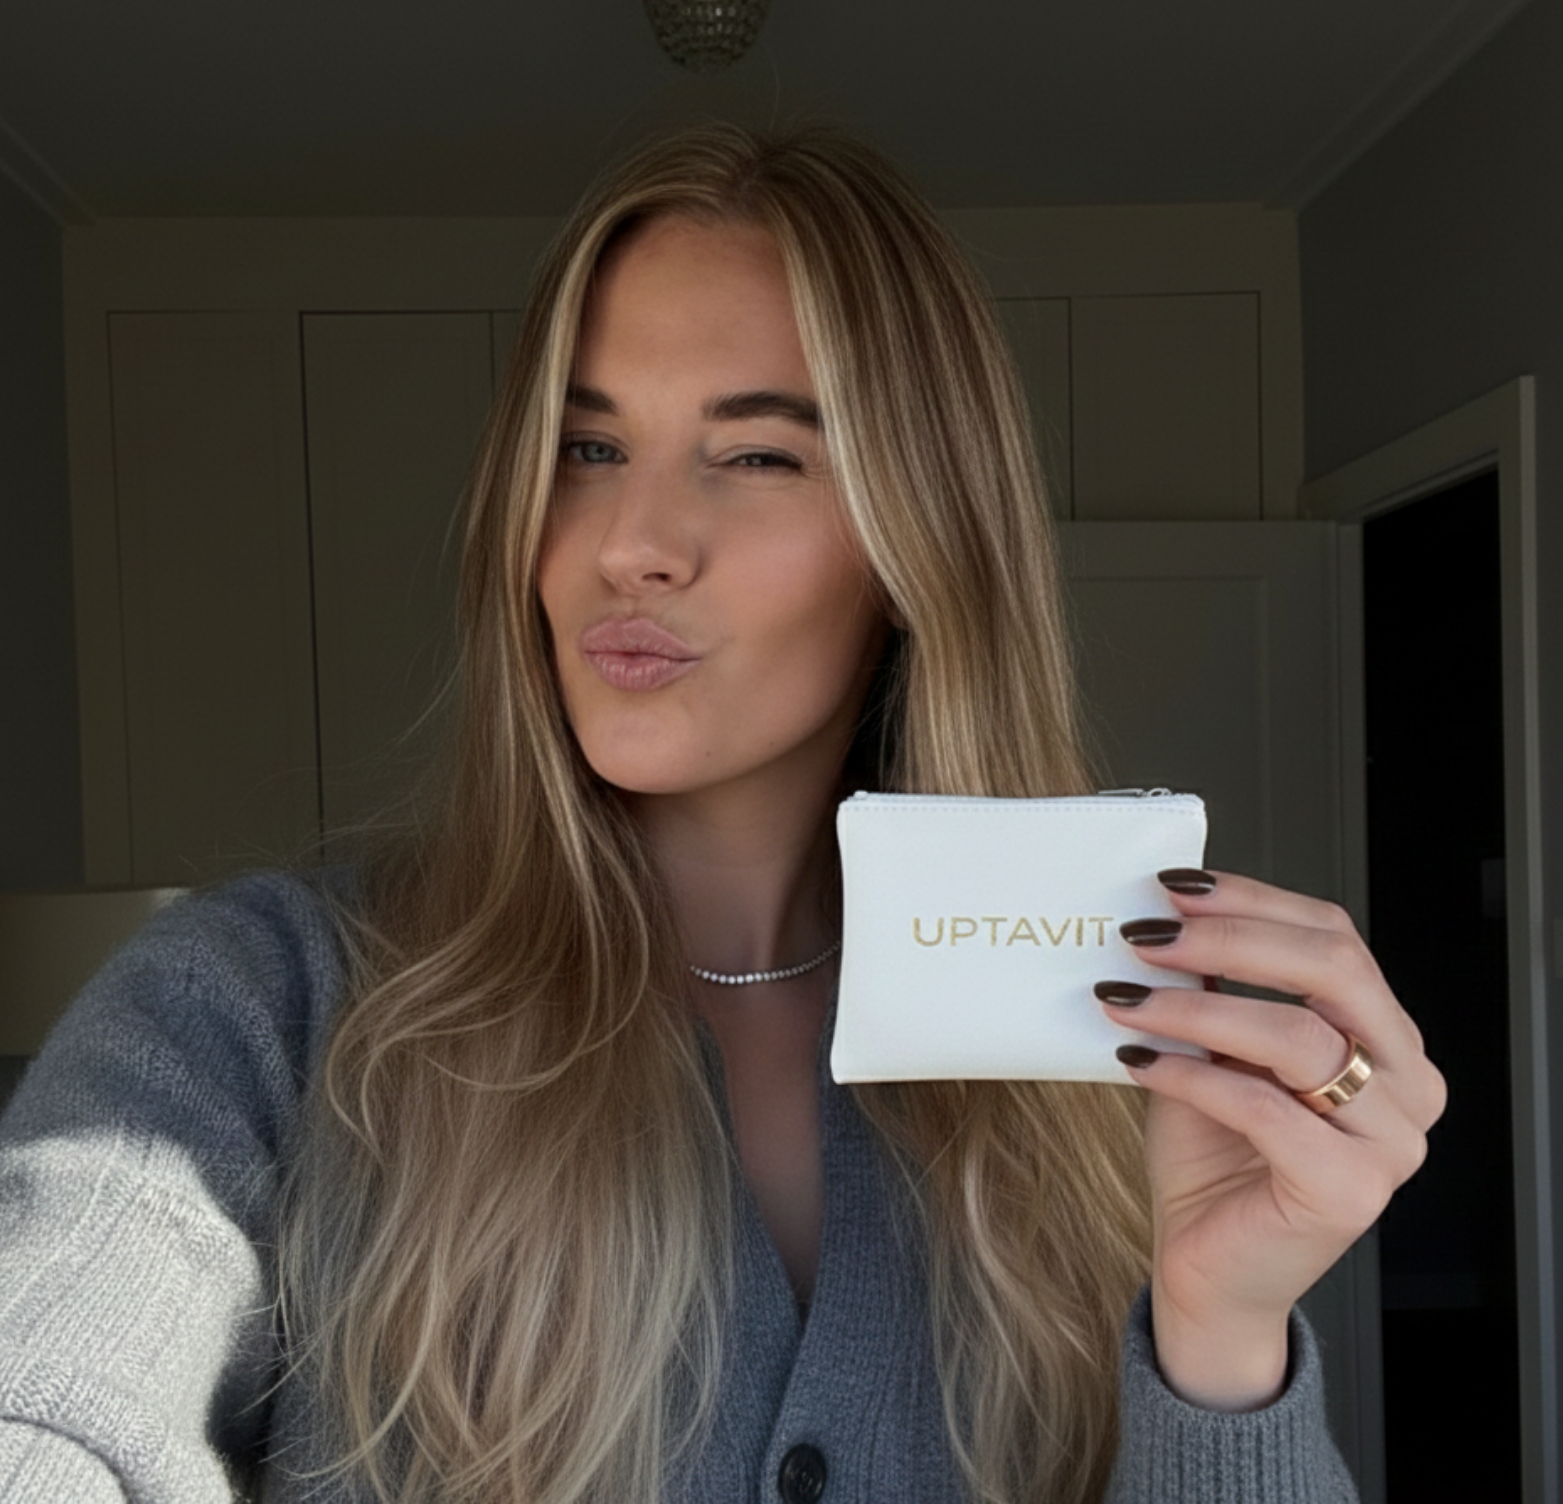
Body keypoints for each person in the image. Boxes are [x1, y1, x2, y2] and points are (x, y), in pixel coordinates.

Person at [0, 126, 1443, 1504]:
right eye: (587, 449)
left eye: (756, 455)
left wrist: (1221, 1333)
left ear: (919, 536)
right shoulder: (259, 1010)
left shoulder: (1101, 1057)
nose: (630, 544)